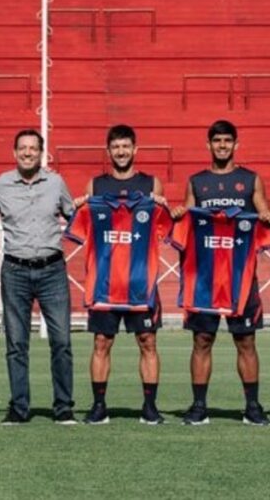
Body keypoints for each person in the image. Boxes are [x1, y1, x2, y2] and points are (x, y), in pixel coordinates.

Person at [169, 120, 270, 426]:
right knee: (202, 340)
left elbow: (264, 214)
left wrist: (268, 216)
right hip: (204, 277)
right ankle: (199, 405)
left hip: (240, 278)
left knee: (246, 341)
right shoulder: (197, 182)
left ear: (236, 144)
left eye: (228, 140)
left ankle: (252, 406)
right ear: (209, 145)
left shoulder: (250, 180)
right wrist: (179, 213)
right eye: (217, 141)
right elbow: (185, 220)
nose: (222, 145)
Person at [0, 129, 76, 425]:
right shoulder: (1, 184)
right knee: (17, 343)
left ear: (41, 152)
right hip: (16, 271)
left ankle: (63, 407)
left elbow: (74, 216)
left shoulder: (56, 183)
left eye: (33, 148)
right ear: (14, 152)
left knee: (61, 341)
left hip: (52, 270)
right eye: (23, 148)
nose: (28, 153)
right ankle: (19, 408)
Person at [80, 124, 167, 425]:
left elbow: (166, 225)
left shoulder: (151, 185)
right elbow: (76, 220)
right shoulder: (95, 187)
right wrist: (79, 205)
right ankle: (99, 405)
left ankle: (150, 407)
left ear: (135, 150)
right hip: (104, 284)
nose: (121, 152)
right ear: (109, 151)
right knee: (101, 343)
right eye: (115, 147)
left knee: (148, 342)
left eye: (126, 146)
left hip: (141, 284)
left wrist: (166, 207)